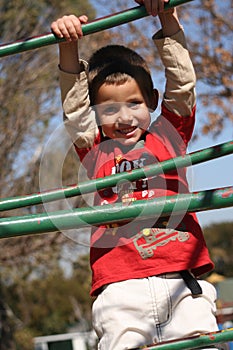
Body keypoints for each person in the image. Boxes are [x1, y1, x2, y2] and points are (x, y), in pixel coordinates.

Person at [51, 1, 220, 349]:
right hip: (121, 288)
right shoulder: (93, 147)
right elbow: (75, 108)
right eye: (109, 108)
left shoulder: (168, 137)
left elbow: (183, 85)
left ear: (153, 100)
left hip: (180, 280)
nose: (124, 117)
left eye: (134, 103)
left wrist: (167, 14)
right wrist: (68, 47)